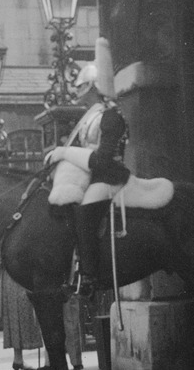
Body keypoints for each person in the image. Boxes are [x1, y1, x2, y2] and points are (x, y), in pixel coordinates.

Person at [45, 37, 131, 297]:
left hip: (110, 176)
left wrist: (66, 152)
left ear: (94, 87)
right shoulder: (92, 116)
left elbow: (102, 159)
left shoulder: (110, 116)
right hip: (94, 176)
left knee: (84, 214)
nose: (80, 97)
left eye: (84, 90)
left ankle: (90, 275)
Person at [0, 258, 43, 370]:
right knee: (23, 314)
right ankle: (18, 358)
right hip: (21, 277)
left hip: (10, 277)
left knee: (14, 316)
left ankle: (18, 358)